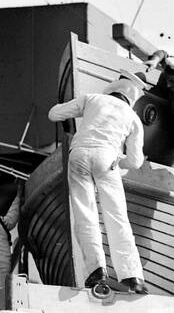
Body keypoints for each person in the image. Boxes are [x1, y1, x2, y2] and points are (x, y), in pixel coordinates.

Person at [48, 77, 147, 293]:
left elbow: (54, 114)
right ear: (132, 98)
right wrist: (119, 160)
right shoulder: (132, 117)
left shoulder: (92, 99)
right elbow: (136, 161)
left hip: (79, 154)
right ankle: (132, 277)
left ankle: (96, 272)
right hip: (108, 157)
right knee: (117, 217)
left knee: (85, 214)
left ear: (112, 89)